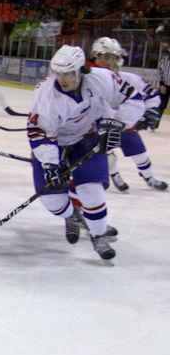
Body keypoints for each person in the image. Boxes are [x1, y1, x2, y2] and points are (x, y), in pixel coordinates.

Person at [27, 45, 144, 260]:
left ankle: (98, 235)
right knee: (52, 200)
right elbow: (40, 134)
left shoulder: (103, 79)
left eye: (69, 74)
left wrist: (116, 125)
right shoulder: (46, 94)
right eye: (59, 73)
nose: (63, 79)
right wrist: (50, 164)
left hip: (87, 138)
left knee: (91, 189)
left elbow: (134, 98)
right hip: (55, 143)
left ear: (82, 71)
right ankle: (72, 216)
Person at [88, 37, 166, 191]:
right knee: (107, 154)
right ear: (96, 56)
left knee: (140, 153)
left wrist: (150, 111)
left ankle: (149, 177)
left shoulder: (129, 79)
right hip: (101, 127)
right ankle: (115, 175)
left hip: (126, 126)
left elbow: (151, 94)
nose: (109, 62)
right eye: (105, 57)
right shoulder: (89, 80)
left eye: (114, 58)